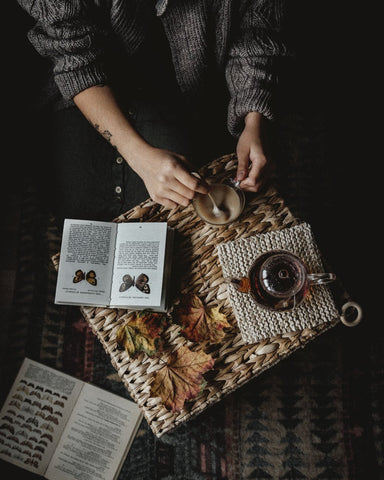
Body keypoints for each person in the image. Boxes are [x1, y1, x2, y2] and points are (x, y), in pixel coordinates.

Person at [17, 0, 287, 224]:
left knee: (175, 221)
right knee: (80, 215)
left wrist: (254, 120)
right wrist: (140, 157)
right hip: (79, 92)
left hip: (188, 84)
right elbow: (72, 55)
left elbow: (256, 33)